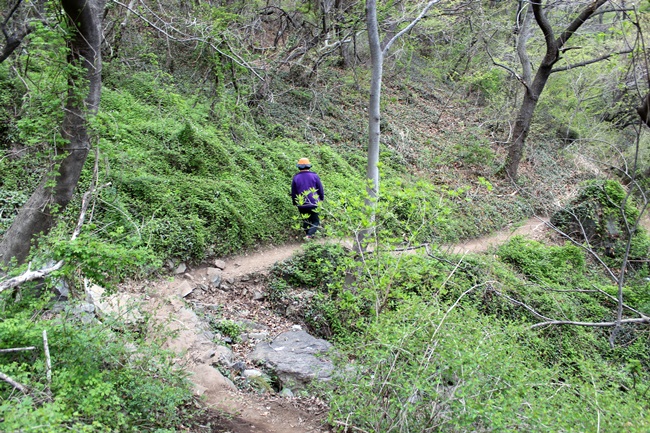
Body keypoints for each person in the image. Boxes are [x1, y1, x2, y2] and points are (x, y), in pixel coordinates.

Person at [291, 157, 324, 239]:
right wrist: (321, 199)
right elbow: (320, 189)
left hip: (301, 203)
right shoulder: (314, 176)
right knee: (315, 221)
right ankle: (309, 235)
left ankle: (308, 236)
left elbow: (294, 192)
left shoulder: (296, 178)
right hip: (314, 202)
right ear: (309, 166)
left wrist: (295, 202)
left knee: (306, 220)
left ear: (299, 167)